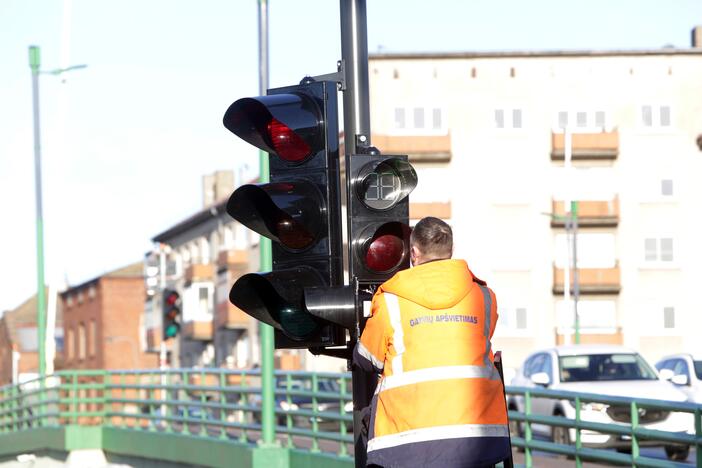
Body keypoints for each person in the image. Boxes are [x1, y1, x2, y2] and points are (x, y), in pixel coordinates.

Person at [353, 217, 511, 468]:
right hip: (478, 437)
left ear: (413, 253)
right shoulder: (483, 296)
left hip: (407, 441)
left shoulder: (391, 300)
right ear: (451, 250)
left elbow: (367, 358)